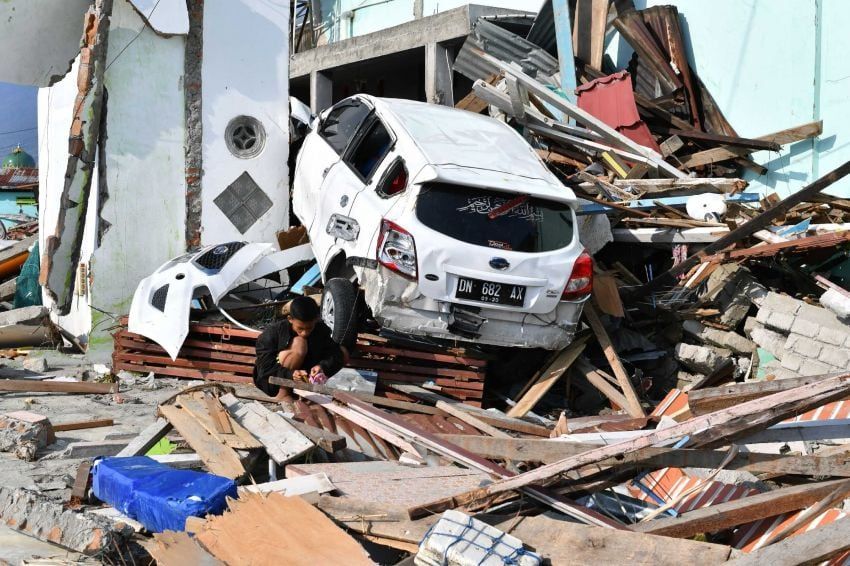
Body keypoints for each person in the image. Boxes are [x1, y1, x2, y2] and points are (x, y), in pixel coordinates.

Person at [253, 295, 344, 408]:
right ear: (290, 319)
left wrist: (322, 366)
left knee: (343, 351)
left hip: (305, 379)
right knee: (299, 344)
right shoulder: (272, 333)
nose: (305, 333)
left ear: (316, 319)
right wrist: (290, 374)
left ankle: (308, 392)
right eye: (300, 328)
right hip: (272, 383)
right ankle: (283, 394)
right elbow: (265, 368)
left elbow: (336, 354)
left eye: (309, 328)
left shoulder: (321, 330)